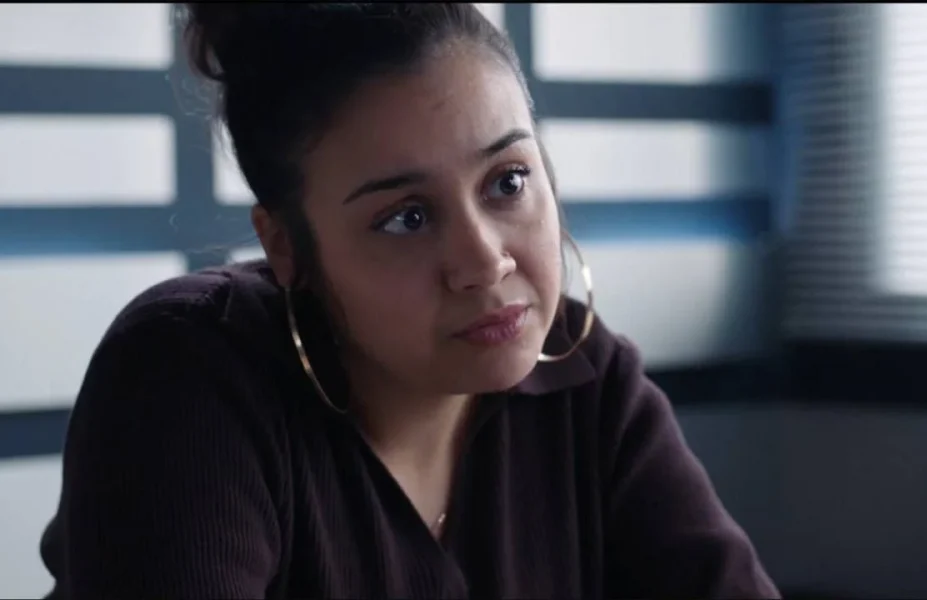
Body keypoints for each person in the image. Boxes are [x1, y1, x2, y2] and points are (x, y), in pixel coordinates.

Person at [39, 3, 779, 599]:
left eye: (508, 181)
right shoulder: (189, 376)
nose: (484, 262)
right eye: (407, 218)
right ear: (286, 247)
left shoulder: (585, 379)